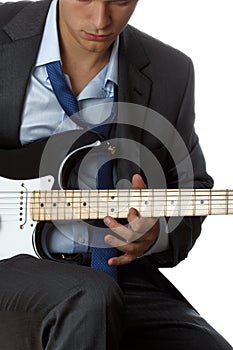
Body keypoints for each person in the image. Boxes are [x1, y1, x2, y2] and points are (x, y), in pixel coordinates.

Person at [0, 0, 232, 349]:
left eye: (120, 0)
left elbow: (192, 187)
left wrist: (154, 233)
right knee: (89, 299)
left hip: (114, 274)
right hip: (15, 273)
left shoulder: (171, 71)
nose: (101, 19)